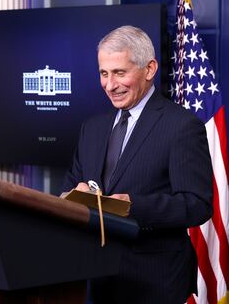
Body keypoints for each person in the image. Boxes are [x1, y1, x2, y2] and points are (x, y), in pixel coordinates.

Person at [62, 26, 213, 304]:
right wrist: (71, 195)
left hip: (155, 281)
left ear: (149, 68)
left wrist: (132, 206)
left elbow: (197, 204)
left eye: (120, 73)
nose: (110, 85)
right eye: (103, 73)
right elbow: (70, 186)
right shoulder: (92, 128)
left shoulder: (181, 126)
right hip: (97, 277)